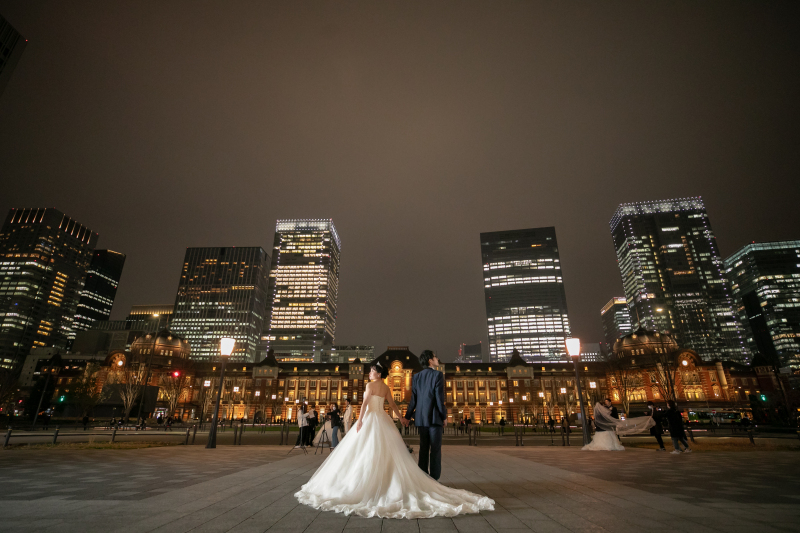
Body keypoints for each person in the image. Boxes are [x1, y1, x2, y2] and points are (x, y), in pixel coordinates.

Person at [295, 359, 494, 519]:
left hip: (371, 419)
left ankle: (369, 483)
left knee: (364, 452)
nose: (370, 372)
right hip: (383, 420)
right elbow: (393, 407)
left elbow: (364, 404)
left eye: (372, 370)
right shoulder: (386, 388)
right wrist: (402, 419)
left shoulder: (370, 385)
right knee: (388, 452)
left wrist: (361, 420)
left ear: (378, 374)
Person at [582, 398, 654, 451]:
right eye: (605, 402)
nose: (605, 403)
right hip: (606, 427)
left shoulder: (610, 409)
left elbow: (613, 416)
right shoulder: (605, 410)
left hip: (606, 426)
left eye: (607, 402)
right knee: (610, 436)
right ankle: (611, 444)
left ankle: (611, 444)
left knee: (611, 435)